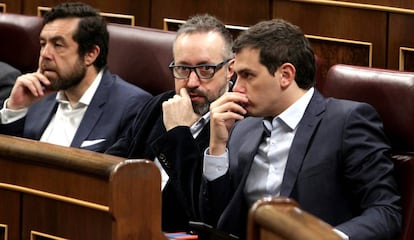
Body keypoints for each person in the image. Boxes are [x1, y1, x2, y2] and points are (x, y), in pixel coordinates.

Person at [201, 19, 402, 240]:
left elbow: (385, 212)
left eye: (248, 75)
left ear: (285, 75)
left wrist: (326, 238)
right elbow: (219, 222)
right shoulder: (242, 129)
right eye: (236, 76)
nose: (237, 88)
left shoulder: (346, 122)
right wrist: (217, 148)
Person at [106, 14, 234, 232]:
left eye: (205, 69)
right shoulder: (159, 105)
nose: (192, 82)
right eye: (183, 69)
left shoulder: (239, 122)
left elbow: (207, 213)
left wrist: (177, 134)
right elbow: (111, 163)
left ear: (230, 69)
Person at [0, 2, 152, 153]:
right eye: (42, 44)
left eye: (58, 45)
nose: (45, 54)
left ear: (90, 54)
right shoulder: (36, 98)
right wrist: (15, 110)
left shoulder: (133, 107)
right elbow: (12, 164)